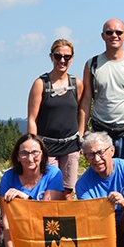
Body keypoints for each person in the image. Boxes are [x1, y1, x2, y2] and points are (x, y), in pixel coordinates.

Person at [0, 134, 66, 247]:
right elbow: (6, 222)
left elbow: (49, 214)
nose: (30, 158)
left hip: (47, 235)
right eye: (24, 153)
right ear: (18, 157)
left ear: (43, 154)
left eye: (35, 152)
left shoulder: (54, 174)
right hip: (20, 236)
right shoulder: (8, 177)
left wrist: (27, 199)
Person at [79, 19, 124, 168]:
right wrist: (82, 132)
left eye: (118, 32)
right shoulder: (92, 64)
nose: (114, 35)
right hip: (101, 133)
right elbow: (86, 100)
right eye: (109, 32)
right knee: (102, 177)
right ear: (103, 36)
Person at [27, 39, 83, 197]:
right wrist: (33, 145)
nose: (62, 60)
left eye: (67, 57)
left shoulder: (77, 84)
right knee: (49, 190)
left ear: (72, 58)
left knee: (68, 191)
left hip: (71, 145)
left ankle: (65, 221)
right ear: (51, 57)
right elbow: (32, 118)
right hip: (47, 146)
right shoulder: (40, 84)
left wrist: (81, 135)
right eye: (58, 56)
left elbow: (81, 112)